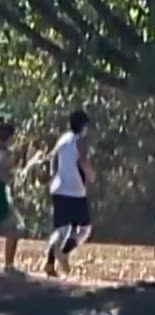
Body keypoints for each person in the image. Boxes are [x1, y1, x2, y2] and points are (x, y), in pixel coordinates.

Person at [45, 110, 95, 278]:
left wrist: (53, 177)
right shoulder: (79, 141)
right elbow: (82, 161)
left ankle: (50, 263)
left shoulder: (63, 139)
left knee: (61, 228)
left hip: (59, 188)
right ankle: (65, 252)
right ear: (83, 126)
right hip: (75, 191)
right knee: (84, 228)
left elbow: (52, 157)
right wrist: (91, 175)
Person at [0, 120, 20, 273]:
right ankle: (9, 266)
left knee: (12, 227)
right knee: (12, 227)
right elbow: (8, 174)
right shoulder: (5, 154)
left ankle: (9, 265)